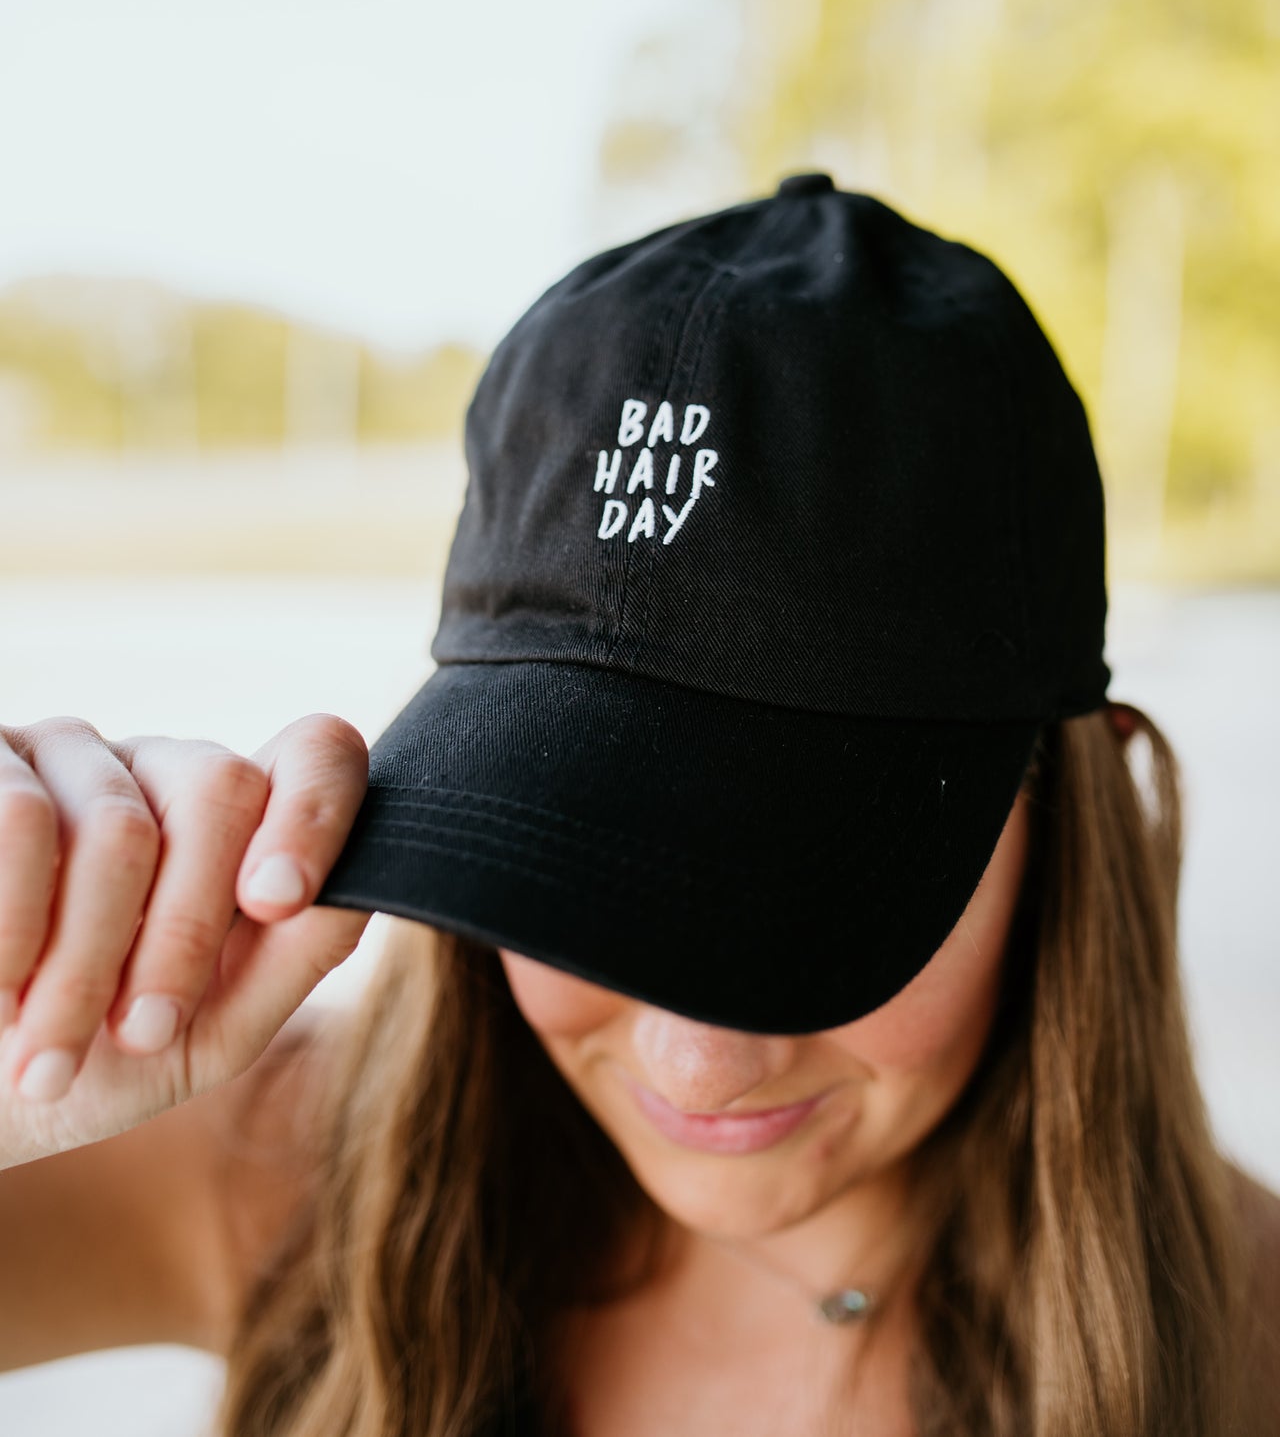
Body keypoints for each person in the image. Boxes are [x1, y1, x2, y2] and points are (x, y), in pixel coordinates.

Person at [0, 178, 1276, 1437]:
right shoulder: (288, 1164)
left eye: (819, 905)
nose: (698, 1065)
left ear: (1073, 813)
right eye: (578, 870)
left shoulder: (1249, 1333)